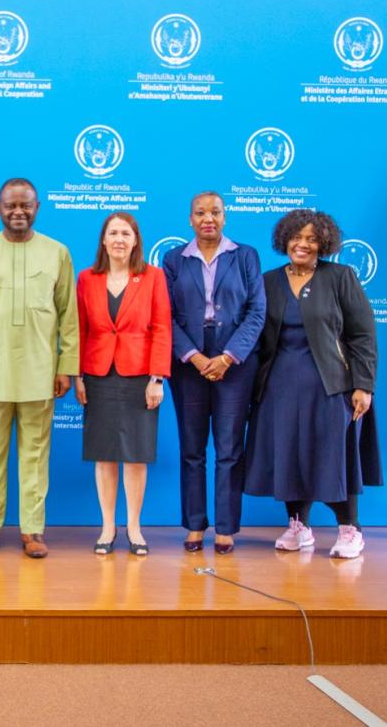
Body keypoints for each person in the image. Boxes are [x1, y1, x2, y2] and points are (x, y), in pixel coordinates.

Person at [245, 209, 380, 560]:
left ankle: (350, 530)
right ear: (284, 240)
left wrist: (362, 385)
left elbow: (362, 335)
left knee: (334, 458)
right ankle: (298, 526)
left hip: (331, 387)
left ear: (323, 244)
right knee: (289, 456)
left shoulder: (340, 277)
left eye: (311, 239)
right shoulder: (268, 281)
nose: (302, 244)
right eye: (296, 237)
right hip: (279, 388)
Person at [0, 178, 78, 559]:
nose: (18, 212)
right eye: (11, 205)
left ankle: (32, 529)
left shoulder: (57, 252)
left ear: (37, 207)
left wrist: (66, 366)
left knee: (35, 453)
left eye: (25, 205)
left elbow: (68, 317)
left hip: (41, 372)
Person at [162, 191, 265, 555]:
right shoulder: (174, 259)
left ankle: (225, 528)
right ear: (190, 219)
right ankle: (194, 525)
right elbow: (166, 316)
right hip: (188, 362)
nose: (208, 218)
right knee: (192, 449)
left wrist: (227, 357)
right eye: (201, 212)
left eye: (215, 212)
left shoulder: (246, 256)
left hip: (234, 363)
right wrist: (192, 355)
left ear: (225, 217)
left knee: (229, 449)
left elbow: (257, 312)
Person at [76, 212, 171, 556]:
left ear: (135, 241)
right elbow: (80, 330)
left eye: (125, 233)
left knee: (135, 456)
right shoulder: (86, 278)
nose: (119, 239)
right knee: (104, 455)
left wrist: (157, 377)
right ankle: (107, 526)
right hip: (98, 375)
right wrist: (79, 375)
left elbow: (162, 328)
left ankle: (134, 527)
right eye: (113, 233)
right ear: (103, 240)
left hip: (139, 377)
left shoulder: (153, 277)